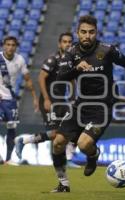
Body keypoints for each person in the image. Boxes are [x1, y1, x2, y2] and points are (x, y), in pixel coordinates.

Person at [51, 15, 125, 192]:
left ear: (96, 32)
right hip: (80, 106)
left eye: (91, 32)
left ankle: (93, 154)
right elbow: (60, 77)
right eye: (83, 32)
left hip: (102, 107)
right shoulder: (71, 53)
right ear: (78, 33)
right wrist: (76, 69)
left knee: (84, 145)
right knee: (58, 143)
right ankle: (63, 184)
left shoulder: (107, 50)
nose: (87, 36)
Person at [14, 32, 79, 167]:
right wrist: (47, 99)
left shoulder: (71, 61)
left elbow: (72, 80)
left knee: (72, 128)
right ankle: (24, 141)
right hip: (49, 100)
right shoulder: (52, 60)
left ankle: (68, 159)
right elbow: (41, 78)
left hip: (62, 101)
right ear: (59, 44)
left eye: (69, 42)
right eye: (65, 42)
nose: (67, 44)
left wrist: (73, 99)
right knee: (55, 134)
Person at [0, 36, 38, 164]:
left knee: (12, 128)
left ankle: (8, 159)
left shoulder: (20, 59)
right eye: (8, 44)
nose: (10, 47)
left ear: (16, 47)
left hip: (10, 100)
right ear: (4, 46)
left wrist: (34, 98)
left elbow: (27, 79)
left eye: (13, 45)